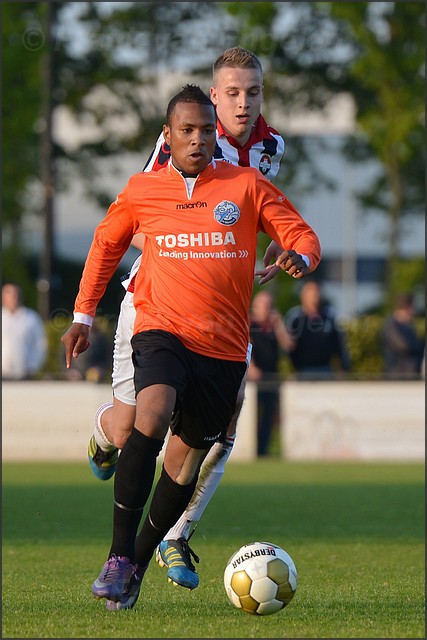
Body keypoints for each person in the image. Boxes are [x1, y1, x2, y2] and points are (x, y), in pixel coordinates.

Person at [61, 85, 321, 611]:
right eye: (187, 130)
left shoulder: (246, 184)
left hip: (223, 347)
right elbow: (106, 243)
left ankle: (136, 562)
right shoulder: (143, 189)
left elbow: (304, 235)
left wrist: (302, 259)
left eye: (206, 130)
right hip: (160, 330)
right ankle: (116, 557)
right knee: (149, 416)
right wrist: (82, 316)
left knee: (183, 463)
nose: (198, 139)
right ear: (168, 136)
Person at [247, 290, 294, 456]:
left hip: (271, 376)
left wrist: (279, 324)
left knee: (269, 415)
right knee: (252, 415)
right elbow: (245, 347)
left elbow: (288, 345)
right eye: (262, 305)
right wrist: (251, 368)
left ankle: (264, 450)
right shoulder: (250, 325)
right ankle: (251, 449)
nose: (266, 309)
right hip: (253, 379)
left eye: (268, 306)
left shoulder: (274, 326)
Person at [285, 280, 351, 379]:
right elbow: (290, 345)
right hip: (303, 370)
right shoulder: (295, 318)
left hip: (326, 369)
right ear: (303, 296)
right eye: (311, 293)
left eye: (316, 292)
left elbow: (339, 343)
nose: (314, 296)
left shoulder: (329, 315)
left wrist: (343, 366)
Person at [2, 282, 48, 380]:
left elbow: (40, 344)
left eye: (16, 293)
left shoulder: (31, 318)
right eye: (9, 293)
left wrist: (33, 366)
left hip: (24, 374)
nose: (14, 297)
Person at [381, 292, 424, 379]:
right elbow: (403, 346)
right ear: (407, 308)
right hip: (397, 376)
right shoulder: (391, 326)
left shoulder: (409, 326)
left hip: (410, 374)